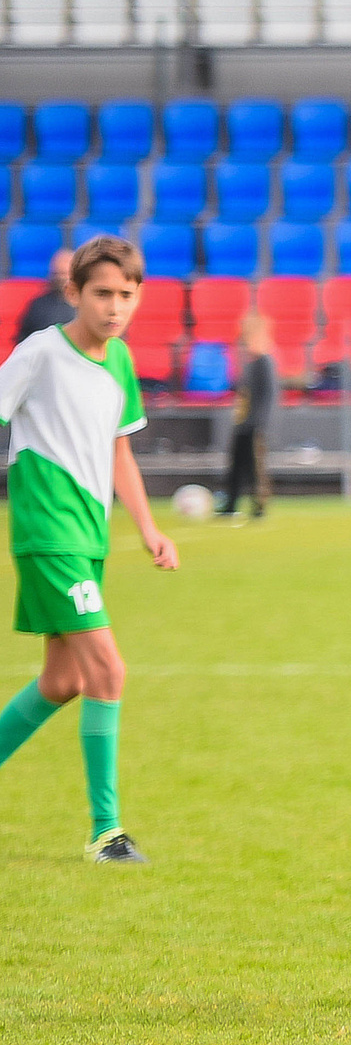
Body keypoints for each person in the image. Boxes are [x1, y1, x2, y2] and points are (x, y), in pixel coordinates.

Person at [0, 233, 178, 865]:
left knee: (63, 680)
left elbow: (118, 450)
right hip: (49, 536)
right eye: (102, 293)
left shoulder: (120, 360)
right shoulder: (40, 353)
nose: (114, 307)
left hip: (88, 538)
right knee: (108, 670)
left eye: (126, 295)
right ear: (73, 292)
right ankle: (108, 833)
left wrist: (148, 529)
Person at [218, 311, 275, 520]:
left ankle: (259, 505)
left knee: (255, 467)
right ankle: (231, 503)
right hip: (243, 423)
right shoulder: (251, 364)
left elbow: (267, 396)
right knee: (236, 465)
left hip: (254, 424)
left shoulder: (264, 363)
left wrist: (259, 423)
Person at [14, 247, 73, 343]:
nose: (60, 278)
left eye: (64, 274)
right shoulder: (38, 305)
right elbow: (23, 339)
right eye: (56, 274)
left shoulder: (86, 304)